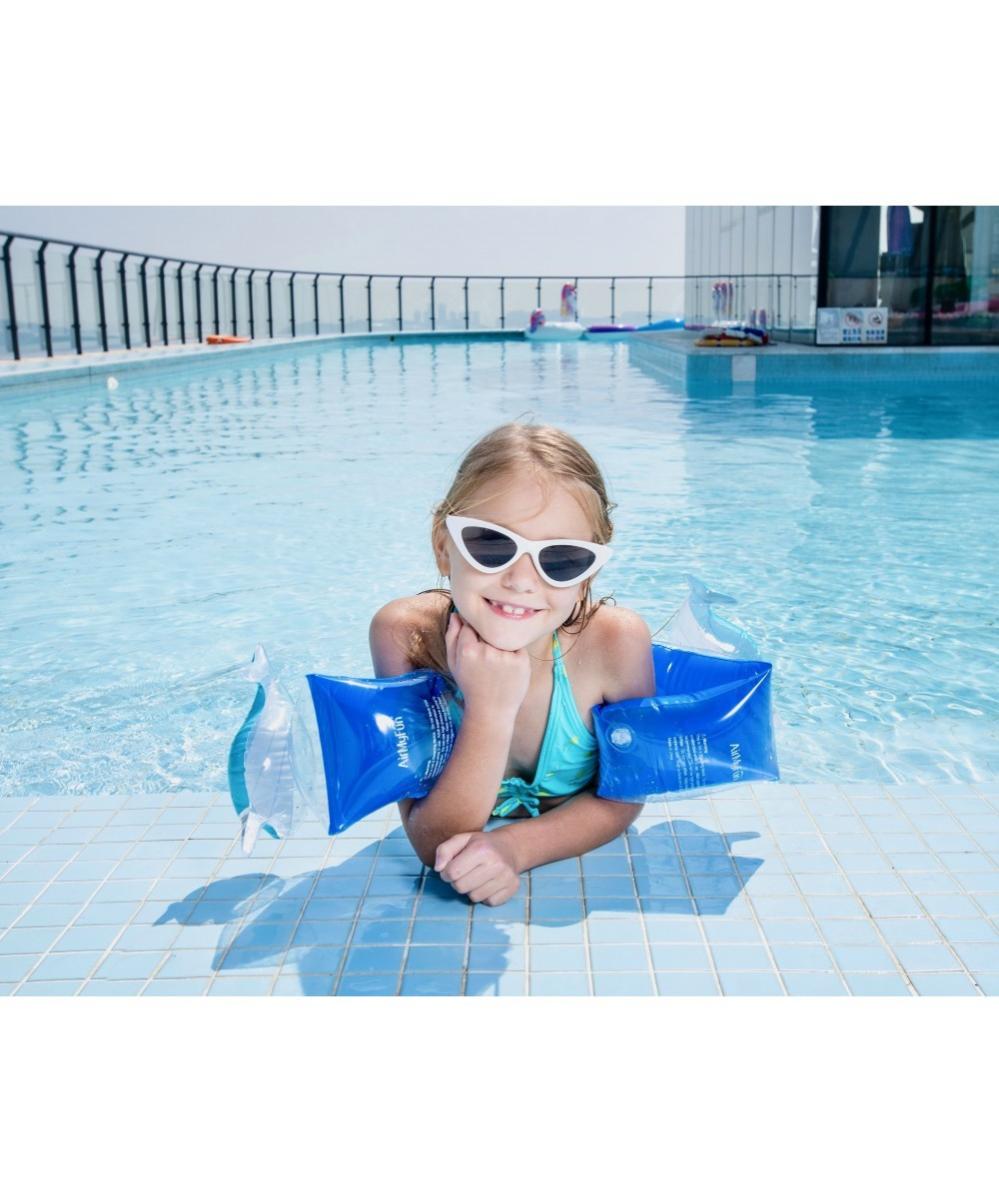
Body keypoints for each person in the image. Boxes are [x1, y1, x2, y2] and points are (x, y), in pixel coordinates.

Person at [368, 421, 655, 907]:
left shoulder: (615, 644)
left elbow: (624, 796)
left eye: (561, 559)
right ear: (444, 546)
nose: (522, 581)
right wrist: (489, 710)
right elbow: (431, 841)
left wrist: (514, 847)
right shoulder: (406, 637)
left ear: (589, 574)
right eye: (491, 543)